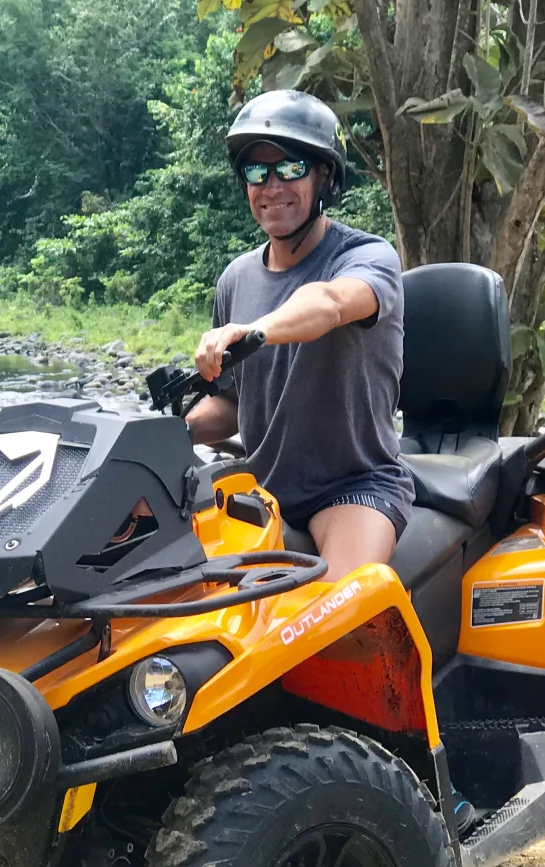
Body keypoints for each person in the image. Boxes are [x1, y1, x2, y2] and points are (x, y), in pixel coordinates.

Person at [187, 90, 413, 582]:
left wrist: (254, 330)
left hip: (354, 486)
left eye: (290, 169)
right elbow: (232, 403)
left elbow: (329, 304)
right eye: (256, 172)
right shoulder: (235, 280)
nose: (272, 186)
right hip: (260, 489)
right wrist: (167, 432)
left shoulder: (367, 258)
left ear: (323, 176)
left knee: (333, 621)